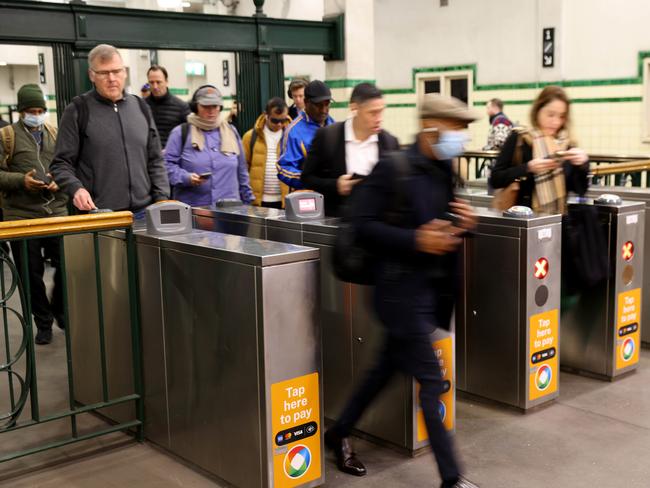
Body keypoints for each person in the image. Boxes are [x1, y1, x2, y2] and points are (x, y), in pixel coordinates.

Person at [324, 93, 480, 488]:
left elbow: (440, 222)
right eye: (456, 130)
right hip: (397, 292)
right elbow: (361, 225)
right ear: (431, 127)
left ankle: (339, 431)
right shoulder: (394, 169)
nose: (460, 139)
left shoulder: (443, 169)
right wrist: (415, 241)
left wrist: (465, 222)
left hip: (428, 291)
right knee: (432, 381)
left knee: (382, 371)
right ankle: (452, 478)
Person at [50, 44, 169, 215]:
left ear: (125, 72)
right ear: (92, 75)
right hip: (100, 215)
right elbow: (60, 164)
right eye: (104, 73)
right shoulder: (78, 110)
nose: (112, 78)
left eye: (117, 71)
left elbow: (155, 159)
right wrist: (76, 188)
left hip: (146, 211)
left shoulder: (141, 107)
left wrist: (162, 198)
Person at [0, 84, 68, 345]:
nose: (36, 115)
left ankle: (60, 309)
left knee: (65, 265)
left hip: (55, 211)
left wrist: (57, 180)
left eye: (40, 110)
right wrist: (21, 181)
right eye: (31, 110)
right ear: (21, 111)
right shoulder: (7, 136)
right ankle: (43, 321)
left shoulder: (55, 132)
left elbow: (68, 164)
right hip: (21, 216)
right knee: (31, 272)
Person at [301, 82, 399, 216]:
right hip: (341, 227)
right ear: (354, 108)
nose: (379, 119)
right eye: (373, 113)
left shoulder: (389, 142)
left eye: (381, 111)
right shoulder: (328, 137)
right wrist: (336, 185)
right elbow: (307, 178)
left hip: (379, 228)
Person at [491, 86, 589, 214]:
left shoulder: (566, 144)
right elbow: (496, 179)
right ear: (537, 111)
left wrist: (583, 165)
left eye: (561, 116)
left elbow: (580, 189)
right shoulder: (520, 138)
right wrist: (527, 168)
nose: (555, 122)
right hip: (524, 221)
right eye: (550, 115)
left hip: (558, 222)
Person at [164, 85, 254, 207]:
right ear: (196, 107)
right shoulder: (180, 133)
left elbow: (242, 170)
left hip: (231, 209)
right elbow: (166, 166)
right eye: (205, 106)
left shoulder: (231, 132)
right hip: (194, 209)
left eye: (215, 106)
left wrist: (248, 201)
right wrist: (186, 177)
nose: (211, 110)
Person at [277, 80, 335, 190]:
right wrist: (309, 180)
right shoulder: (293, 131)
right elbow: (283, 167)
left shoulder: (334, 125)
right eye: (318, 105)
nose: (323, 110)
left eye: (327, 104)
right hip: (307, 197)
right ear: (306, 102)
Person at [242, 97, 290, 209]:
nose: (279, 124)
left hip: (285, 201)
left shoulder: (291, 136)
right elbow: (243, 168)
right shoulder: (250, 137)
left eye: (283, 121)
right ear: (266, 115)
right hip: (258, 202)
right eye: (275, 120)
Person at [145, 65, 191, 148]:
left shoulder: (181, 107)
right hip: (148, 157)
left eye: (158, 82)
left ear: (166, 82)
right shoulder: (141, 106)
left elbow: (190, 135)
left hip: (172, 156)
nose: (155, 87)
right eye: (151, 82)